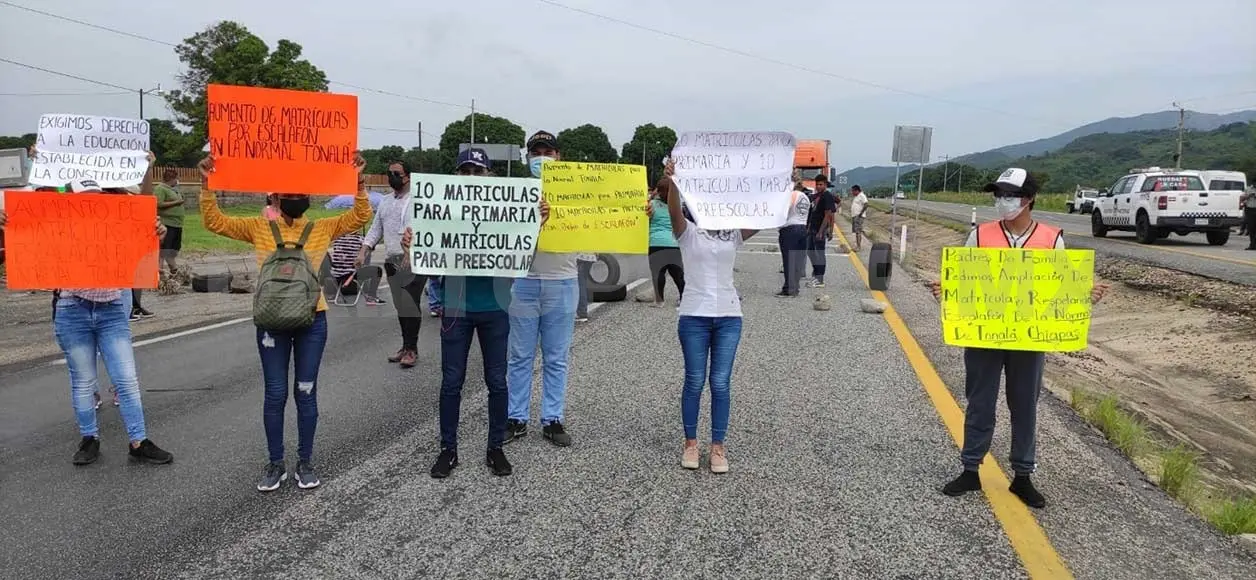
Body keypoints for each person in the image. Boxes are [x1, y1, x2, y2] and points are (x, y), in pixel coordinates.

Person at [928, 168, 1108, 509]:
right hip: (983, 333)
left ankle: (1023, 475)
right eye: (998, 195)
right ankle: (971, 468)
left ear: (1028, 200)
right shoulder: (980, 235)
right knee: (980, 401)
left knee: (1024, 404)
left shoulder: (1051, 239)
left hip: (1029, 338)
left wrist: (1084, 295)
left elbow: (1059, 286)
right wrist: (947, 291)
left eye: (1008, 195)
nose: (1001, 202)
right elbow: (967, 280)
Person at [198, 153, 373, 492]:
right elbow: (215, 222)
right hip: (272, 322)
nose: (296, 199)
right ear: (275, 198)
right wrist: (207, 186)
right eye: (289, 194)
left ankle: (305, 461)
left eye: (301, 193)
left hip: (313, 319)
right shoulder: (258, 226)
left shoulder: (323, 227)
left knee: (305, 392)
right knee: (275, 393)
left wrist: (359, 182)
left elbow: (361, 215)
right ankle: (275, 462)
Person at [402, 148, 541, 479]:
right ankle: (448, 450)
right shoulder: (439, 213)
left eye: (477, 172)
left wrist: (536, 222)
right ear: (456, 176)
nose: (471, 177)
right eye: (464, 171)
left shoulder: (506, 212)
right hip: (455, 309)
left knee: (496, 380)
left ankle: (496, 447)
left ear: (489, 177)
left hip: (495, 308)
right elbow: (415, 264)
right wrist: (412, 247)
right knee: (452, 381)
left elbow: (524, 255)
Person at [37, 179, 174, 466]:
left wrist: (156, 233)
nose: (92, 204)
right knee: (83, 381)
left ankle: (139, 441)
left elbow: (141, 246)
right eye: (85, 198)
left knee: (125, 379)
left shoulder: (120, 223)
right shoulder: (60, 224)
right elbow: (30, 229)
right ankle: (89, 439)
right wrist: (7, 223)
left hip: (111, 309)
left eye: (98, 198)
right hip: (72, 309)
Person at [658, 159, 756, 474]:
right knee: (694, 380)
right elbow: (674, 210)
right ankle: (690, 443)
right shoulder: (688, 234)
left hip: (729, 316)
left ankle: (718, 446)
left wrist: (782, 186)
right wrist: (673, 182)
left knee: (721, 382)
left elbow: (765, 215)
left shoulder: (733, 236)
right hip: (693, 316)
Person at [504, 130, 580, 448]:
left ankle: (552, 418)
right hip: (524, 281)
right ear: (528, 158)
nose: (542, 158)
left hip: (562, 280)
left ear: (558, 156)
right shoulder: (514, 193)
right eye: (536, 153)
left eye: (548, 152)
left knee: (556, 356)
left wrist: (636, 212)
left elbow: (607, 217)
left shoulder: (578, 190)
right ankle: (516, 417)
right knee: (519, 356)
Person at [361, 160, 427, 369]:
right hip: (392, 259)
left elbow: (425, 229)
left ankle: (412, 349)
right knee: (400, 306)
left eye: (396, 173)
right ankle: (405, 345)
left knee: (411, 304)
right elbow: (375, 229)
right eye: (389, 173)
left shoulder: (420, 201)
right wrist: (364, 250)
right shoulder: (385, 201)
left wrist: (412, 251)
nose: (392, 177)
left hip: (413, 260)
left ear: (408, 176)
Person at [648, 178, 685, 305]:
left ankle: (659, 301)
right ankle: (683, 298)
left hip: (655, 242)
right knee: (678, 274)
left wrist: (651, 196)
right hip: (673, 243)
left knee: (658, 273)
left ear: (658, 191)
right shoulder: (677, 205)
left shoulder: (651, 205)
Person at [326, 228, 385, 306]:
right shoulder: (360, 239)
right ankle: (372, 297)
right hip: (351, 275)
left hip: (337, 276)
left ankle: (335, 294)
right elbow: (370, 248)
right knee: (378, 270)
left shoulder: (338, 239)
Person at [776, 175, 811, 297]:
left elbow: (784, 209)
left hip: (790, 229)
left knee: (788, 260)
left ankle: (789, 289)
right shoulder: (805, 197)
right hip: (802, 228)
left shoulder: (792, 195)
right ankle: (795, 287)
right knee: (797, 262)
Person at [805, 173, 837, 288]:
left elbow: (828, 215)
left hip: (820, 229)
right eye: (817, 184)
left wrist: (822, 231)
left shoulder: (826, 196)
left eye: (821, 184)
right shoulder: (816, 196)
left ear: (825, 185)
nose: (818, 186)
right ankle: (816, 272)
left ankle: (820, 278)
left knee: (819, 253)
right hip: (812, 228)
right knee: (810, 251)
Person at [153, 168, 185, 273]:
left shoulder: (173, 189)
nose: (177, 181)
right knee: (164, 249)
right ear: (172, 178)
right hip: (167, 223)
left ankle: (173, 269)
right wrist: (176, 203)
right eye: (176, 178)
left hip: (177, 224)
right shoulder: (160, 189)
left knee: (172, 249)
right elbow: (158, 204)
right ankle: (159, 273)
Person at [575, 253, 596, 322]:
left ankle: (581, 313)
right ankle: (582, 311)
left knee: (580, 283)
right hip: (591, 256)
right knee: (583, 282)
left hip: (580, 257)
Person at [848, 184, 869, 252]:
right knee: (856, 231)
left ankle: (858, 246)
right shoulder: (857, 196)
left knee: (858, 231)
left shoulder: (862, 196)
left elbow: (866, 204)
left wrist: (861, 213)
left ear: (856, 190)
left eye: (853, 191)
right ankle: (857, 245)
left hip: (859, 216)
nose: (852, 192)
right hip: (855, 216)